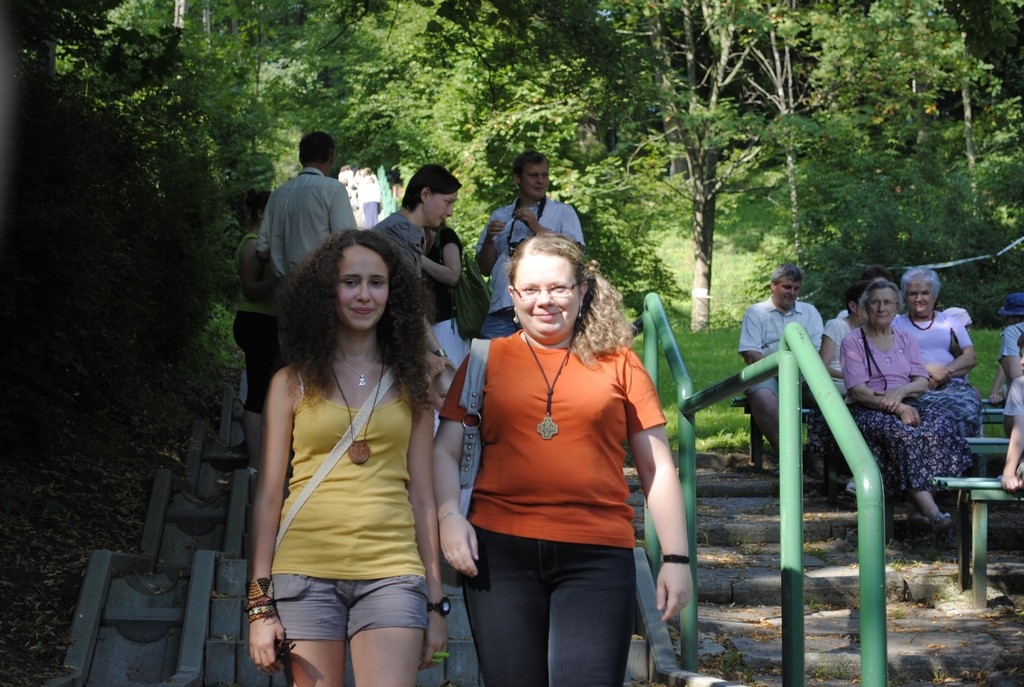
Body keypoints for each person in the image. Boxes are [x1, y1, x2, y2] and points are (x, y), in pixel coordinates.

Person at [433, 233, 691, 687]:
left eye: (558, 287)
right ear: (512, 295)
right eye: (530, 289)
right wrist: (449, 516)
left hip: (597, 554)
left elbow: (657, 468)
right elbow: (444, 449)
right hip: (499, 554)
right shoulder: (485, 359)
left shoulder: (620, 362)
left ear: (582, 290)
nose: (544, 300)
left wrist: (675, 557)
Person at [247, 230, 446, 686]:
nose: (364, 295)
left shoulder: (413, 382)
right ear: (326, 291)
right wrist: (259, 605)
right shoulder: (290, 382)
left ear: (393, 294)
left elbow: (423, 499)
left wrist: (436, 602)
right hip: (304, 572)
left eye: (377, 283)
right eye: (350, 282)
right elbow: (268, 498)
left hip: (393, 571)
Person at [840, 280, 973, 533]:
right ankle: (933, 513)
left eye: (887, 302)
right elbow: (859, 391)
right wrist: (898, 408)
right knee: (903, 435)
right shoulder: (852, 342)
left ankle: (919, 510)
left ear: (896, 307)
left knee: (942, 428)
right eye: (875, 302)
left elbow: (921, 381)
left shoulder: (906, 339)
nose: (881, 308)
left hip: (909, 402)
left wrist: (901, 392)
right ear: (865, 307)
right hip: (869, 409)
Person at [476, 150, 585, 339]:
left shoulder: (562, 212)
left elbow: (576, 255)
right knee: (487, 356)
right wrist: (489, 240)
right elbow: (484, 269)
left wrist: (537, 228)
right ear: (517, 177)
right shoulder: (500, 215)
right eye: (533, 175)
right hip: (503, 309)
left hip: (545, 311)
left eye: (545, 175)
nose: (540, 181)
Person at [738, 263, 823, 462]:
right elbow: (750, 353)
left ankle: (820, 458)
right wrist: (780, 371)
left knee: (829, 396)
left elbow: (818, 351)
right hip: (766, 373)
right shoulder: (756, 312)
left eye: (796, 288)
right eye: (786, 287)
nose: (791, 293)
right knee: (761, 395)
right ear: (773, 285)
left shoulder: (810, 312)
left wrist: (799, 373)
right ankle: (790, 458)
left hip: (805, 374)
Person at [891, 267, 982, 439]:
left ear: (934, 295)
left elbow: (970, 357)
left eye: (925, 293)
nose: (919, 298)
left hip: (954, 386)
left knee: (967, 409)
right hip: (917, 387)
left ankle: (962, 454)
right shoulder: (896, 325)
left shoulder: (950, 321)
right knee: (930, 414)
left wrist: (944, 373)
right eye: (913, 293)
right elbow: (894, 360)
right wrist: (928, 371)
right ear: (905, 297)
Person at [256, 131, 357, 277]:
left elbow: (261, 252)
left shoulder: (277, 194)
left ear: (300, 158)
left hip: (283, 286)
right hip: (320, 282)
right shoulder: (333, 189)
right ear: (332, 156)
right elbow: (348, 243)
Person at [804, 279, 868, 490]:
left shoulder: (872, 330)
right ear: (853, 305)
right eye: (869, 303)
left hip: (860, 384)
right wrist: (851, 376)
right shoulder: (836, 326)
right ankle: (823, 460)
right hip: (834, 381)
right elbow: (822, 365)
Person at [233, 189, 280, 467]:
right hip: (256, 322)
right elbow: (250, 290)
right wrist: (281, 279)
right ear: (261, 213)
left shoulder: (266, 244)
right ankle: (255, 463)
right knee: (258, 393)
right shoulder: (252, 244)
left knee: (266, 391)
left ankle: (262, 458)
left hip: (266, 322)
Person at [423, 222, 469, 367]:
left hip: (446, 323)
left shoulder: (445, 235)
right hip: (420, 324)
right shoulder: (409, 238)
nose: (449, 212)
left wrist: (418, 258)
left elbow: (453, 276)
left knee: (452, 373)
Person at [988, 292, 1024, 407]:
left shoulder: (1012, 331)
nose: (1005, 319)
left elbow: (1016, 377)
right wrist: (994, 391)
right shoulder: (1015, 331)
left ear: (1015, 317)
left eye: (1007, 316)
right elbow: (1007, 363)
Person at [1000, 334, 1024, 493]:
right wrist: (1008, 473)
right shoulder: (1020, 386)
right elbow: (1020, 430)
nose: (1021, 362)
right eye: (1021, 355)